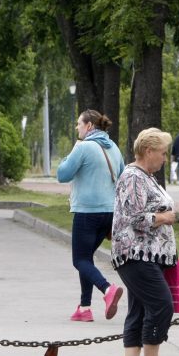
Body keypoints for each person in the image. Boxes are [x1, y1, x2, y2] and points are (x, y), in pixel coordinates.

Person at [111, 127, 179, 356]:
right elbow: (135, 217)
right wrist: (164, 217)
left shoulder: (145, 176)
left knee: (139, 308)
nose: (165, 159)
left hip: (147, 254)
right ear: (148, 151)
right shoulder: (133, 177)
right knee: (161, 305)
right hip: (136, 252)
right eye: (162, 153)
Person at [57, 109, 126, 322]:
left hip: (87, 212)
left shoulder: (84, 146)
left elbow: (62, 174)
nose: (77, 127)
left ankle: (107, 290)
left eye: (79, 123)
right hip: (109, 213)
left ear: (89, 126)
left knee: (80, 260)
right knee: (87, 259)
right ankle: (84, 308)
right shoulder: (114, 147)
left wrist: (73, 151)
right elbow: (122, 177)